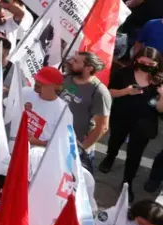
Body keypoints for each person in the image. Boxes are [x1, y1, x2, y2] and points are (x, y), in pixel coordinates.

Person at [102, 47, 163, 192]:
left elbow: (160, 109)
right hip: (121, 115)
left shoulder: (159, 80)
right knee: (115, 140)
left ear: (157, 64)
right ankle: (110, 156)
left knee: (135, 155)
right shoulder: (124, 73)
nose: (145, 67)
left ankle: (127, 183)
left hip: (144, 123)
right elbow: (110, 92)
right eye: (143, 62)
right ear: (136, 60)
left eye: (150, 65)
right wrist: (126, 91)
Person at [60, 52, 111, 173]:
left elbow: (102, 127)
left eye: (76, 61)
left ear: (89, 68)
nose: (71, 62)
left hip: (76, 145)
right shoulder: (66, 78)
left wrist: (81, 148)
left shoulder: (99, 93)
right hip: (57, 138)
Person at [20, 67, 68, 146]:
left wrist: (37, 142)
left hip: (37, 155)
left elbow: (62, 143)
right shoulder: (25, 92)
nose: (37, 83)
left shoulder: (63, 111)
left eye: (43, 82)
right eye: (37, 79)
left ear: (55, 87)